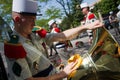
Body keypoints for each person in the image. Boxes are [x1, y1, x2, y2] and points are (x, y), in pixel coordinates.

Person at [0, 0, 103, 80]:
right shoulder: (13, 46)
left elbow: (62, 36)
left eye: (35, 18)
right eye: (31, 19)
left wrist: (85, 27)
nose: (34, 23)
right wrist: (62, 74)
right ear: (17, 19)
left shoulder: (35, 34)